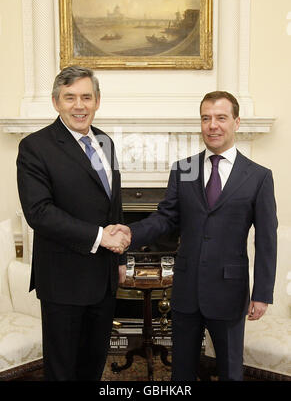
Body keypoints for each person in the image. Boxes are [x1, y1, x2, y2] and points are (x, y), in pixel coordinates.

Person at [111, 91, 277, 381]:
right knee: (182, 372)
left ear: (236, 123)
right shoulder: (184, 169)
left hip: (229, 290)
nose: (212, 125)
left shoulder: (258, 176)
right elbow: (165, 217)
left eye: (221, 118)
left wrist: (262, 293)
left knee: (229, 370)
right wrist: (129, 232)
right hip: (186, 290)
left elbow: (266, 239)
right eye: (206, 118)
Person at [17, 66, 129, 381]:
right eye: (70, 98)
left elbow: (113, 204)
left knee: (93, 367)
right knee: (63, 371)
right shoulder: (35, 147)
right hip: (63, 280)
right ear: (56, 102)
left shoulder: (105, 141)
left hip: (104, 279)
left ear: (97, 101)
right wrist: (100, 237)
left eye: (86, 97)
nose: (79, 105)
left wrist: (119, 259)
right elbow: (39, 212)